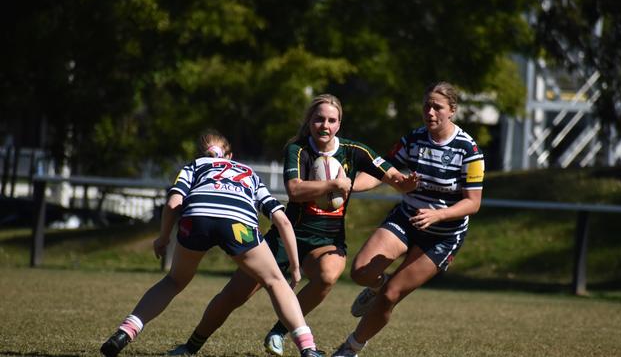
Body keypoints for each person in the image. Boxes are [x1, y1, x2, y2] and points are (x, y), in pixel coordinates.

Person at [167, 94, 417, 356]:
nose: (325, 125)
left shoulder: (355, 151)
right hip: (287, 236)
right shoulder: (297, 149)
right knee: (234, 296)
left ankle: (279, 331)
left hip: (328, 239)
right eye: (319, 119)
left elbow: (389, 174)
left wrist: (404, 182)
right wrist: (334, 184)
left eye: (332, 120)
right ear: (309, 121)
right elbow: (295, 190)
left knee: (327, 276)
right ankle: (190, 346)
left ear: (339, 124)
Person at [100, 129, 324, 357]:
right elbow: (283, 221)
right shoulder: (248, 172)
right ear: (230, 156)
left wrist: (163, 238)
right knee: (275, 282)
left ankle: (124, 332)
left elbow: (172, 204)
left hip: (196, 219)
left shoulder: (195, 166)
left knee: (174, 281)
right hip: (238, 225)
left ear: (201, 154)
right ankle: (307, 348)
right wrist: (295, 267)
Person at [332, 81, 485, 356]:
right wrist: (348, 185)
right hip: (407, 218)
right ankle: (376, 287)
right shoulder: (413, 140)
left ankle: (350, 348)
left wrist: (439, 214)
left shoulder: (469, 151)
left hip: (443, 235)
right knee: (360, 272)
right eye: (427, 105)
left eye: (437, 107)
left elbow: (473, 203)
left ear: (452, 110)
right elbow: (383, 172)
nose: (430, 112)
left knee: (391, 295)